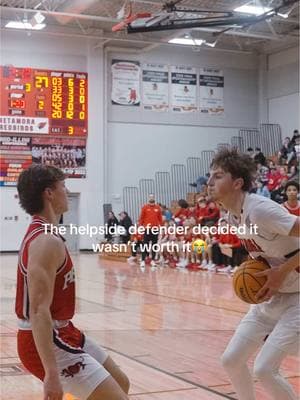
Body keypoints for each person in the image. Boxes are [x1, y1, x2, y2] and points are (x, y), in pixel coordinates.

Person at [16, 164, 129, 400]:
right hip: (45, 338)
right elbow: (38, 311)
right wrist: (52, 373)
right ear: (49, 193)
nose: (66, 191)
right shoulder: (45, 241)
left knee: (121, 383)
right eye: (63, 186)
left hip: (64, 329)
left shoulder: (48, 233)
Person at [207, 148, 299, 400]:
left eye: (218, 176)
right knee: (231, 360)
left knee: (265, 369)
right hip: (271, 297)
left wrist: (283, 270)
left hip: (297, 298)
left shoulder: (261, 210)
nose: (209, 182)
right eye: (210, 175)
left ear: (237, 183)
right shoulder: (231, 215)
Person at [138, 194, 163, 269]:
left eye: (152, 197)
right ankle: (143, 260)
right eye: (150, 197)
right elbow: (141, 218)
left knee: (154, 245)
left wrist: (161, 227)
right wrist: (140, 226)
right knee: (145, 244)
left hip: (155, 229)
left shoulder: (158, 207)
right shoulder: (145, 207)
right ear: (148, 198)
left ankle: (153, 260)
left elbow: (160, 219)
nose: (151, 198)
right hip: (147, 229)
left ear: (154, 198)